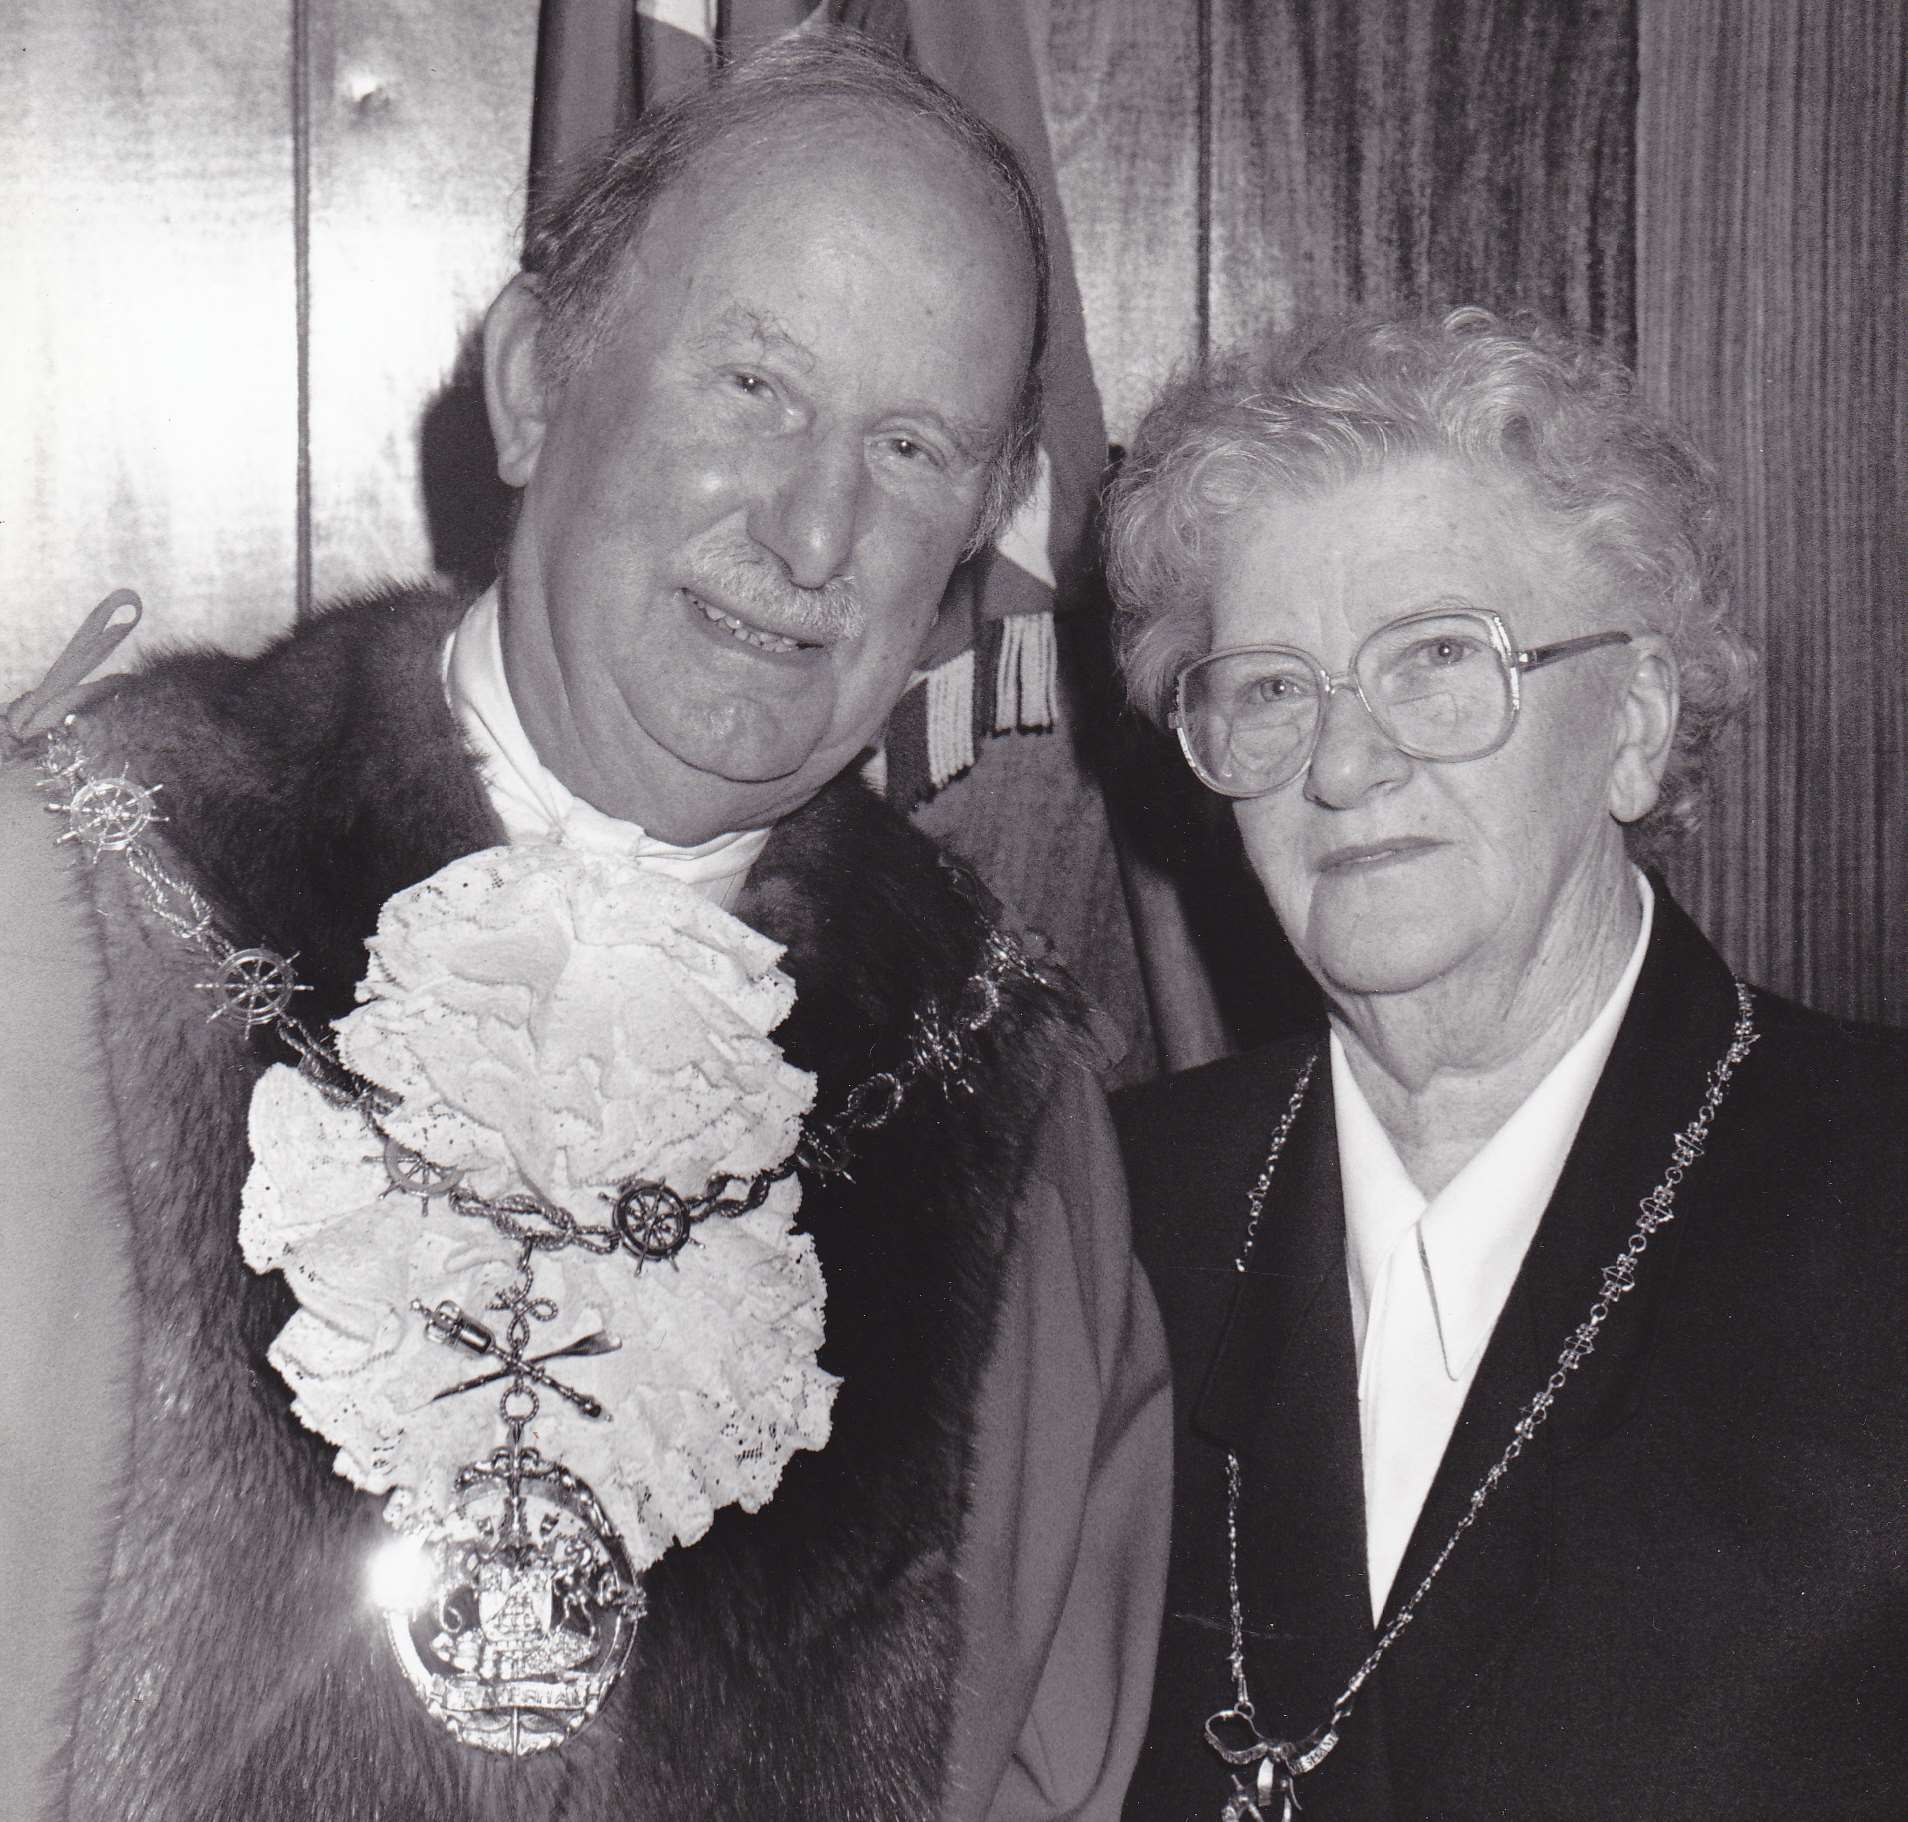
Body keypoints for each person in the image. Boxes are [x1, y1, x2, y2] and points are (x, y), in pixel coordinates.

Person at [0, 35, 1169, 1822]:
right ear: (540, 383)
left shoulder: (1009, 1130)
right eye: (753, 385)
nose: (811, 527)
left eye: (912, 446)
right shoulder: (65, 915)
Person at [1106, 307, 1908, 1820]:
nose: (1343, 765)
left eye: (1435, 661)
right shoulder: (1111, 1220)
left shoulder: (1878, 1205)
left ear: (1638, 727)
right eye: (1273, 688)